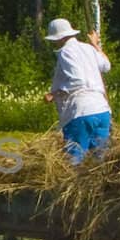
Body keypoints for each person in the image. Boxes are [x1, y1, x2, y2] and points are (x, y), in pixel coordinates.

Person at [42, 17, 112, 161]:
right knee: (100, 161)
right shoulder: (88, 48)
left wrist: (54, 94)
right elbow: (106, 65)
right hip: (102, 110)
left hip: (81, 112)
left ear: (59, 38)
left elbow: (77, 80)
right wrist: (95, 45)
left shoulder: (66, 52)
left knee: (75, 160)